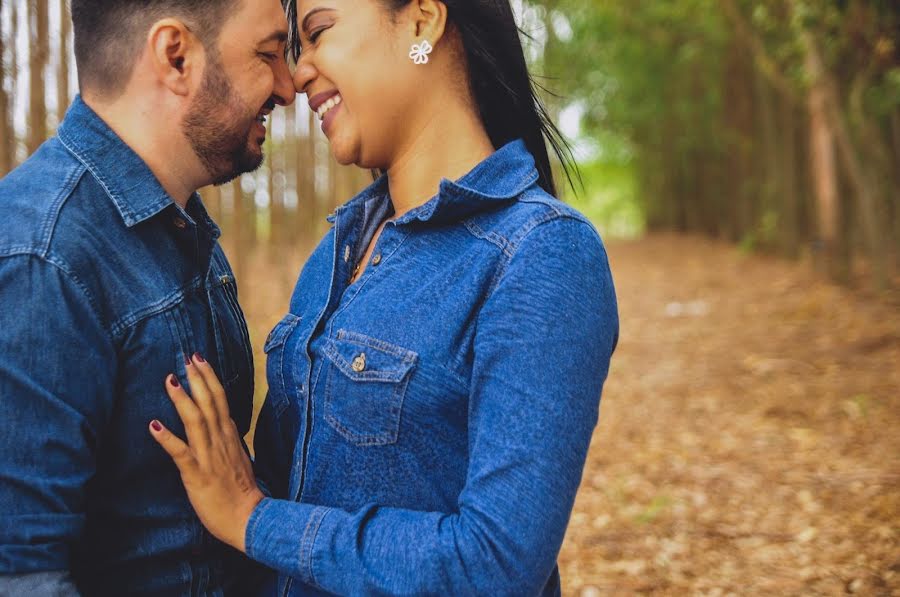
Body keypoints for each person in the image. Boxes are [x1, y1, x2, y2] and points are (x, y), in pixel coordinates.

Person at [150, 0, 619, 594]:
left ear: (422, 20)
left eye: (319, 32)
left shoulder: (541, 254)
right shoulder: (336, 251)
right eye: (296, 48)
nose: (297, 75)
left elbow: (496, 566)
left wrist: (254, 520)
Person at [0, 0, 295, 593]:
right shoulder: (43, 258)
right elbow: (22, 574)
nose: (289, 88)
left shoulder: (180, 226)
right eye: (268, 54)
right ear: (176, 56)